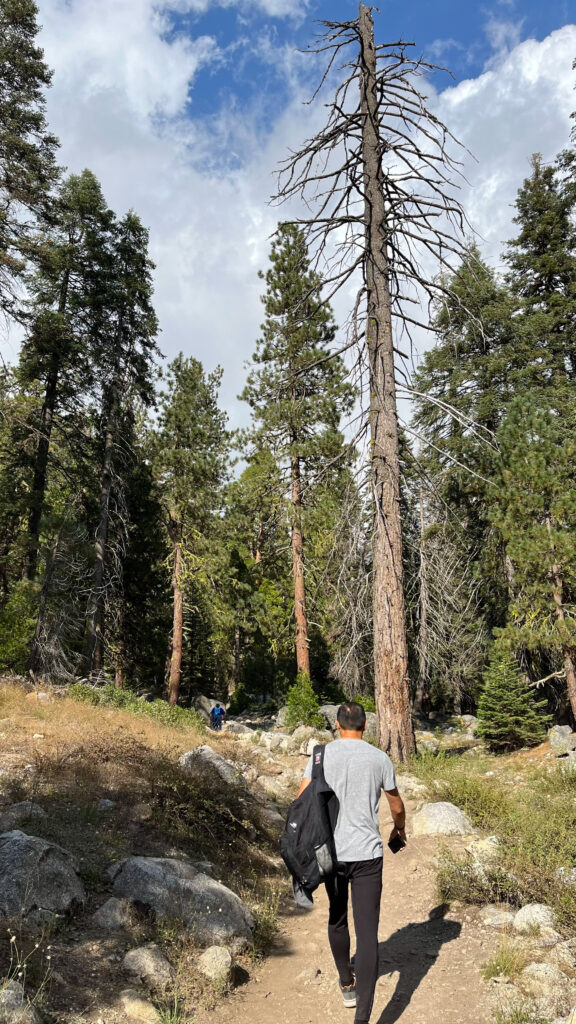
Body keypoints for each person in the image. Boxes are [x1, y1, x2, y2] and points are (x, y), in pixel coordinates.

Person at [296, 701, 406, 1024]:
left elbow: (301, 799)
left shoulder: (320, 756)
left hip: (330, 853)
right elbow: (396, 806)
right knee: (368, 934)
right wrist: (399, 830)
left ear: (338, 726)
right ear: (365, 726)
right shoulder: (379, 758)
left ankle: (347, 983)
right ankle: (363, 1019)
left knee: (337, 916)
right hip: (368, 855)